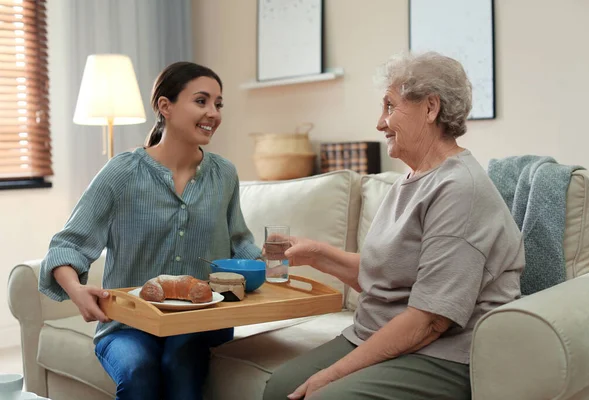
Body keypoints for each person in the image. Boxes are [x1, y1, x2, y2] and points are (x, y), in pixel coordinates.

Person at [262, 52, 525, 400]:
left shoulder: (460, 189)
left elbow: (430, 321)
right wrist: (316, 254)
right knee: (279, 388)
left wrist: (332, 375)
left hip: (443, 355)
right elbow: (388, 277)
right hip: (379, 334)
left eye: (390, 106)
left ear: (430, 108)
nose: (379, 123)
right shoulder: (411, 180)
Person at [38, 62, 262, 400]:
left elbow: (239, 244)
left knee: (180, 363)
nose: (213, 113)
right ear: (165, 106)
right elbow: (67, 245)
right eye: (201, 101)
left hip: (200, 321)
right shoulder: (122, 172)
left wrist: (272, 264)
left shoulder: (224, 174)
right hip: (128, 325)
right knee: (138, 370)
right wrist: (76, 290)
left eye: (218, 103)